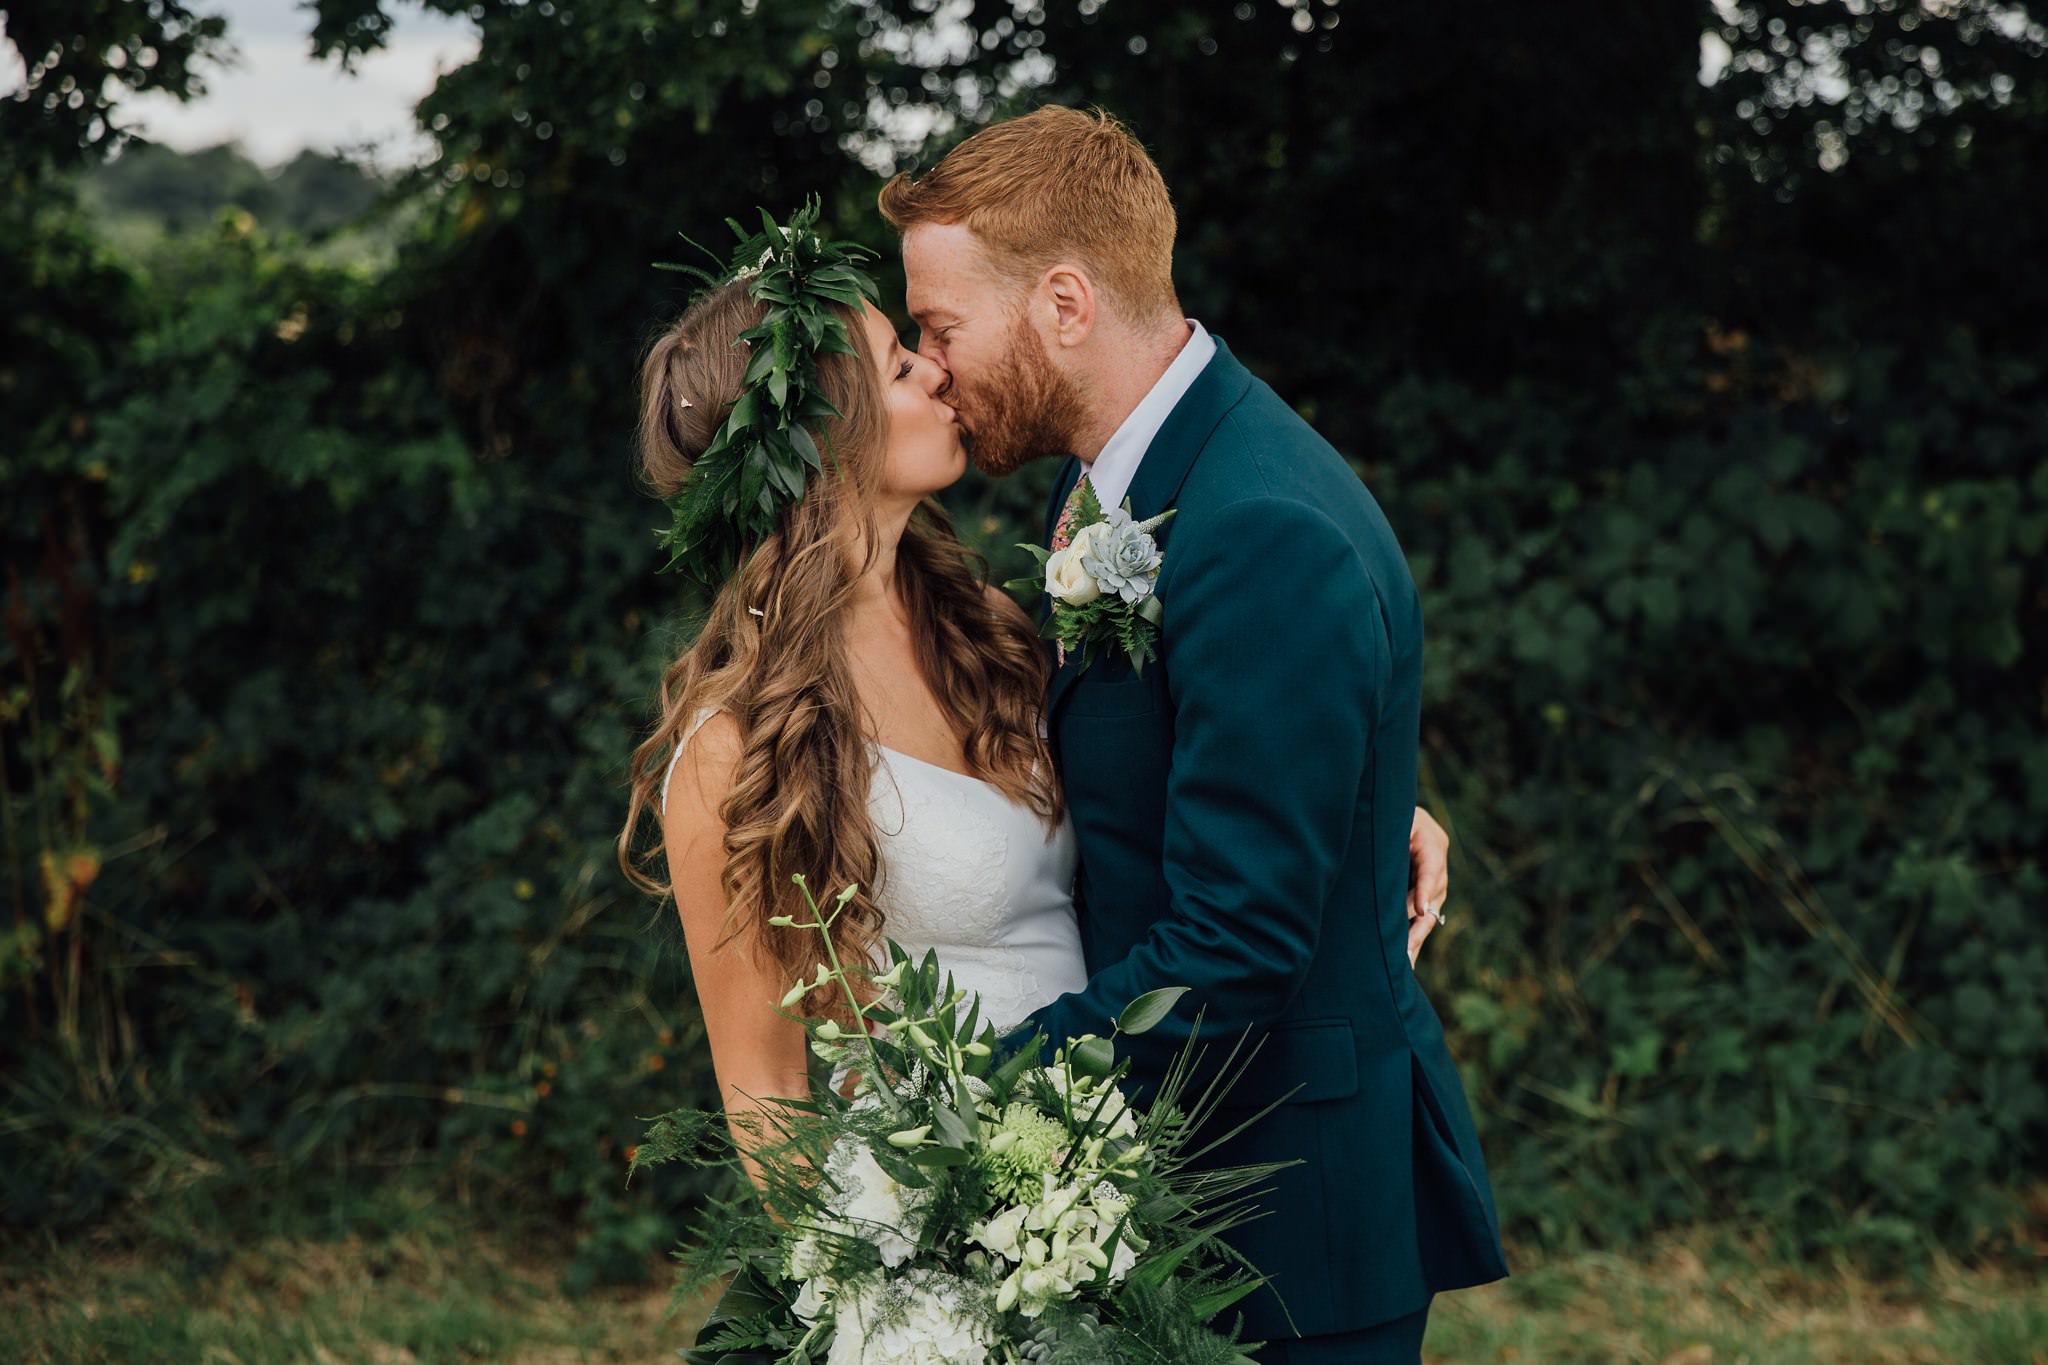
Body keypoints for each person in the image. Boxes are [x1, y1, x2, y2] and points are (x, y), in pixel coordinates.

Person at [614, 202, 1457, 1327]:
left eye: (921, 344)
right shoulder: (735, 749)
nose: (934, 373)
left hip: (1121, 1191)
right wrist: (880, 1300)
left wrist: (1360, 804)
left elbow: (1187, 770)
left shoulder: (1000, 637)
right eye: (896, 362)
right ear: (818, 436)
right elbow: (764, 1091)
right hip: (944, 1235)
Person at [879, 104, 1508, 1363]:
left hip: (1287, 1215)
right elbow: (1220, 748)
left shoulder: (1255, 521)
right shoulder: (1114, 482)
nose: (929, 365)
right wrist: (1375, 803)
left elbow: (1235, 938)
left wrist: (977, 1098)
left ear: (1063, 303)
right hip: (1179, 1180)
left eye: (941, 328)